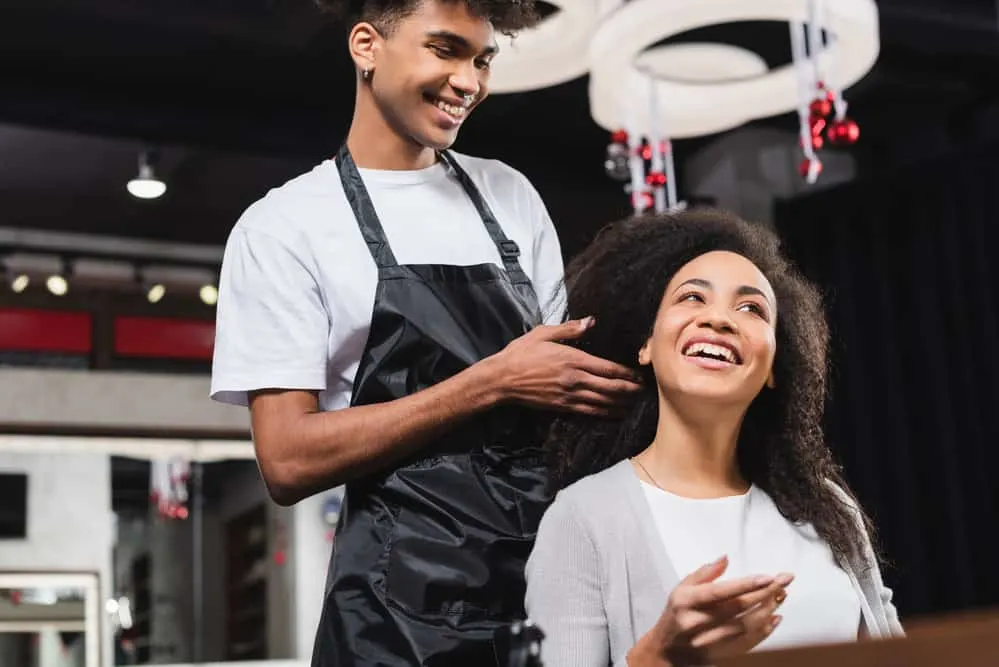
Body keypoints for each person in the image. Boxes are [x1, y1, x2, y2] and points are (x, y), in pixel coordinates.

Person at [209, 0, 642, 664]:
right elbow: (288, 459)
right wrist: (489, 382)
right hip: (395, 619)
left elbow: (558, 394)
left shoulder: (510, 195)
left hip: (545, 593)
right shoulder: (285, 227)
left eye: (482, 59)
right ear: (366, 46)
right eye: (444, 50)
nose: (468, 81)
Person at [524, 209, 904, 667]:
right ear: (645, 344)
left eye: (751, 309)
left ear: (773, 371)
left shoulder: (827, 509)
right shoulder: (583, 518)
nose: (720, 320)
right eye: (692, 298)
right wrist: (657, 656)